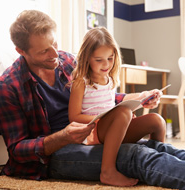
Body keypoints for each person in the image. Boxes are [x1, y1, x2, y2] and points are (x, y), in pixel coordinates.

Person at [0, 10, 185, 189]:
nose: (55, 55)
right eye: (44, 51)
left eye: (54, 44)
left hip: (95, 133)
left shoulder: (68, 62)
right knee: (137, 154)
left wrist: (137, 98)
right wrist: (61, 137)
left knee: (159, 148)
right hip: (57, 153)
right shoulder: (8, 87)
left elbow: (98, 98)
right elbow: (17, 150)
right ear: (21, 51)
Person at [68, 27, 165, 187]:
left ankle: (157, 163)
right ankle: (107, 171)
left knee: (157, 121)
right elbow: (74, 117)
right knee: (123, 113)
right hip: (93, 132)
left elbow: (114, 106)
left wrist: (144, 98)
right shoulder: (81, 82)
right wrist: (104, 118)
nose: (106, 64)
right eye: (99, 60)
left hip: (114, 128)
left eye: (110, 58)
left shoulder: (111, 80)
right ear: (87, 59)